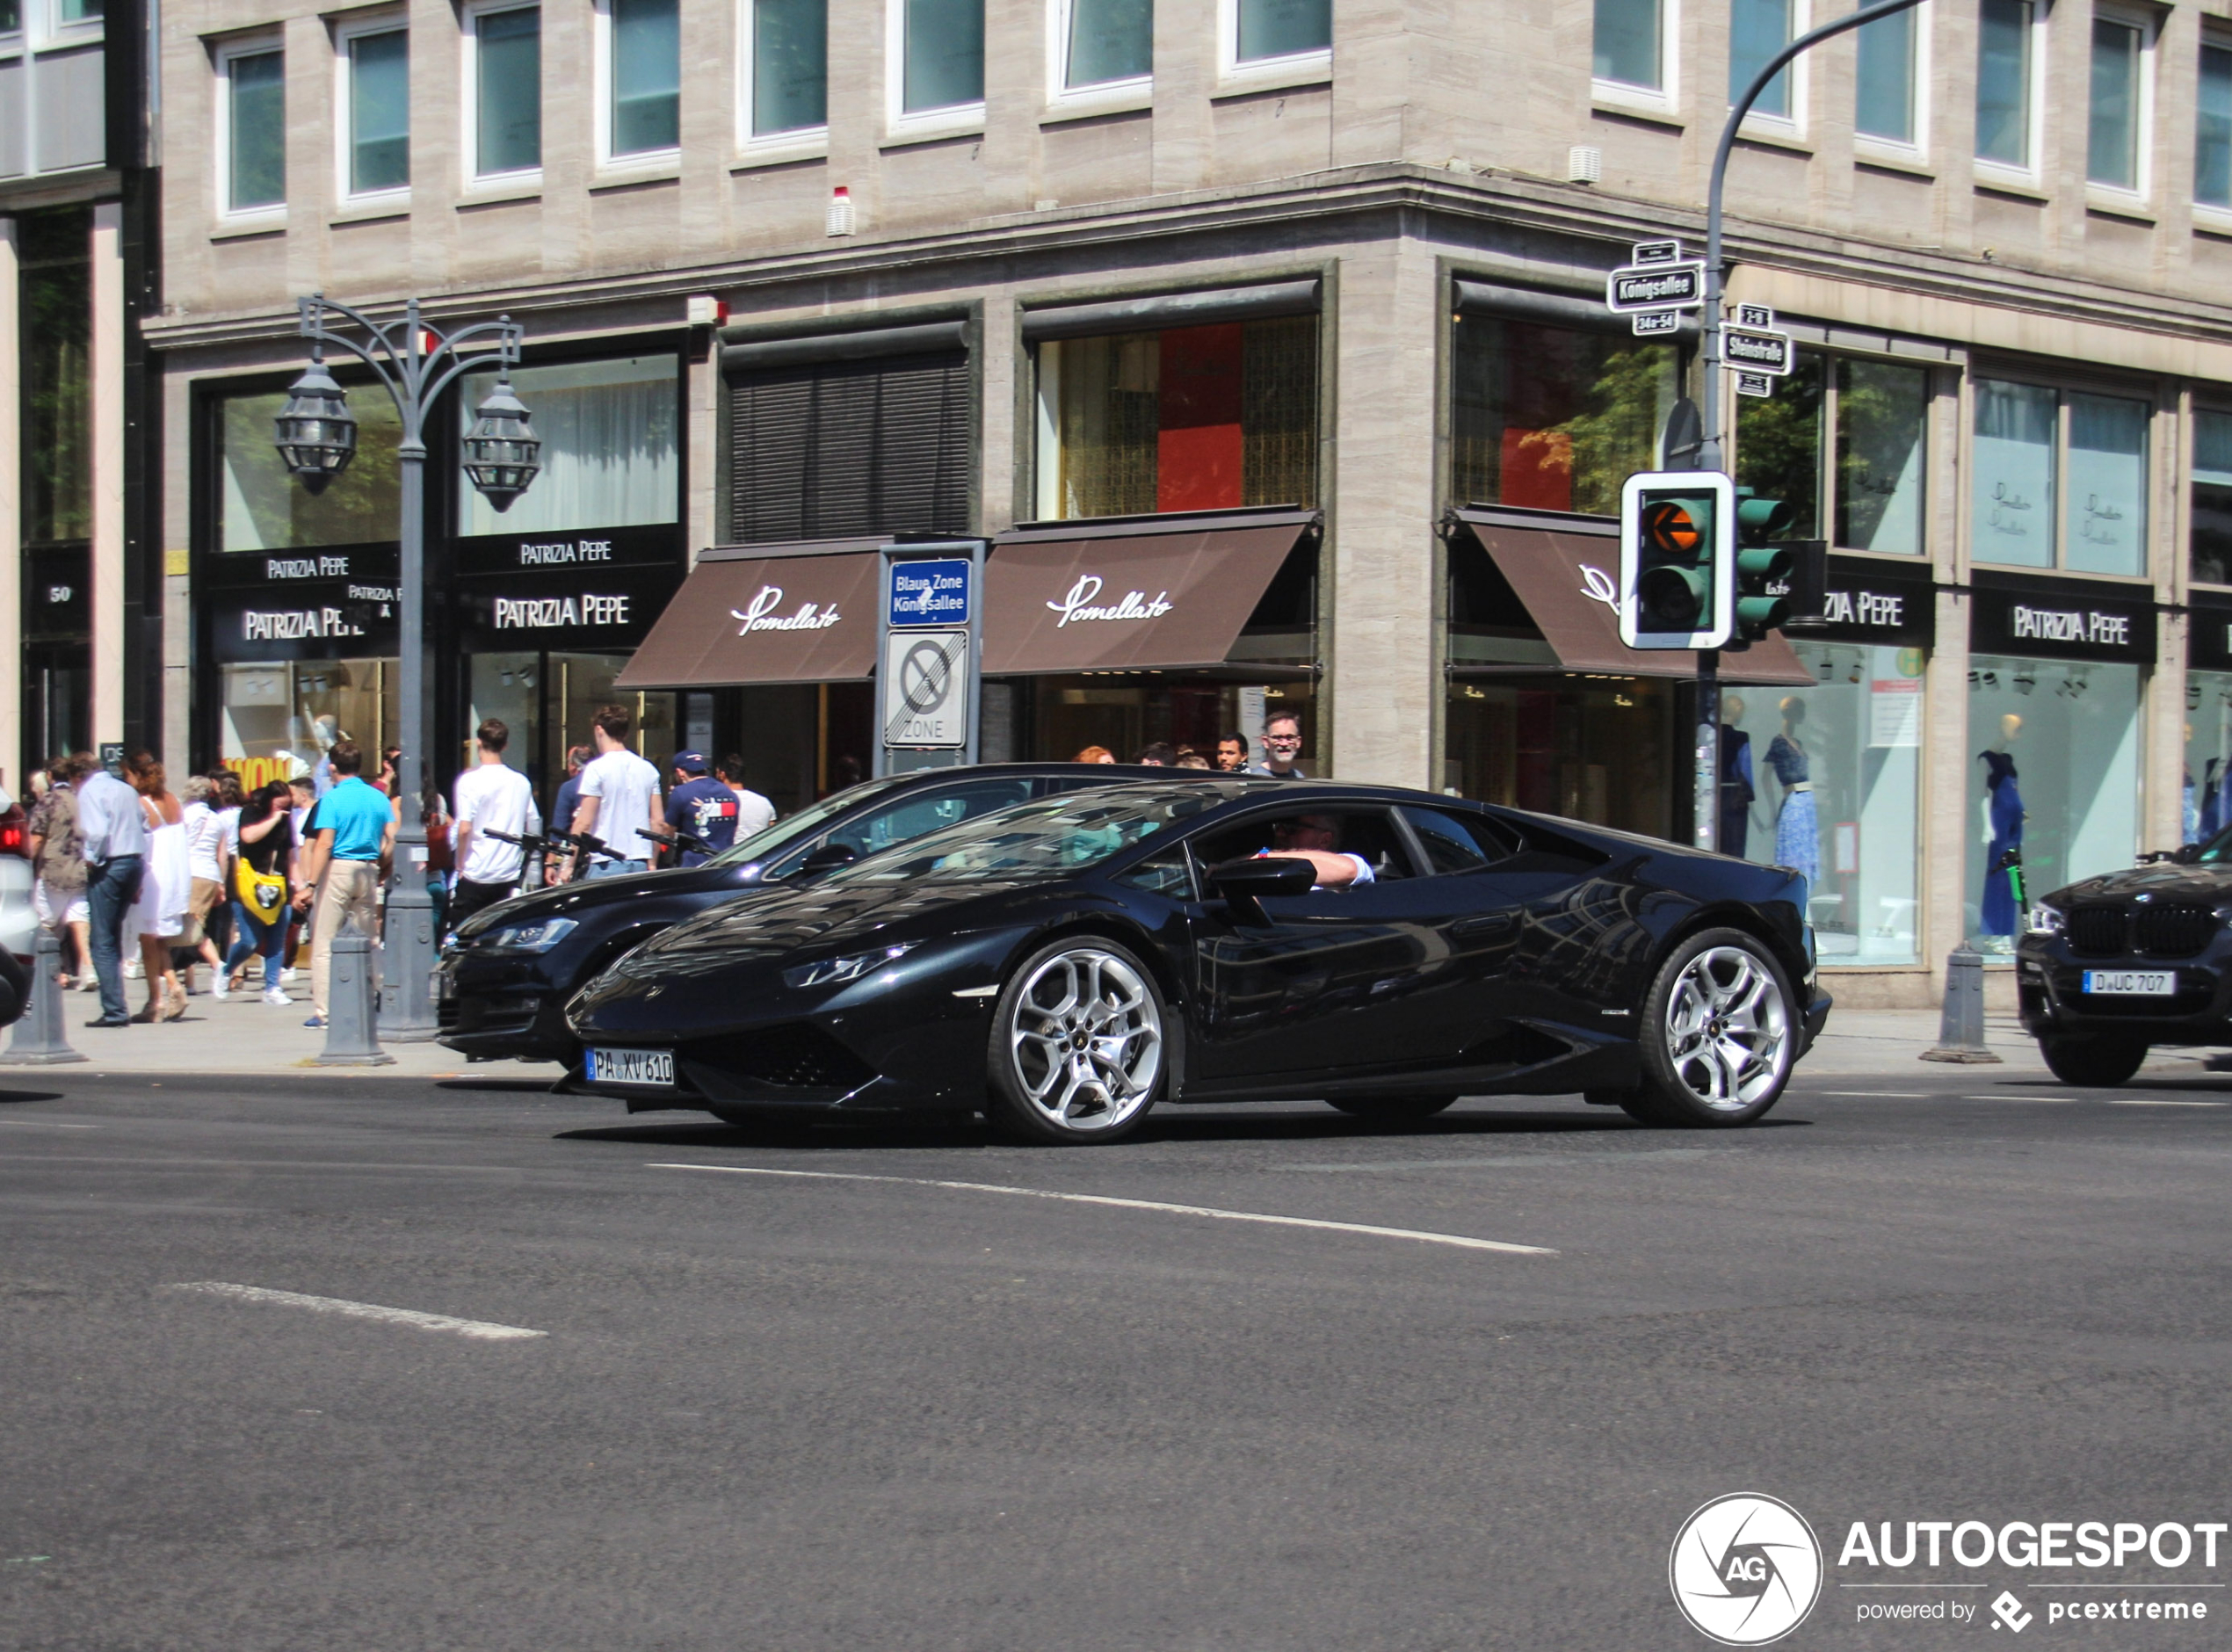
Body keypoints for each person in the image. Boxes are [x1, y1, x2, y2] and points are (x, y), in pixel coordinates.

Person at [295, 739, 396, 1030]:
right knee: (370, 941)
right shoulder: (378, 798)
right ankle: (387, 997)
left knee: (325, 943)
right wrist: (382, 863)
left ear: (332, 767)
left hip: (339, 869)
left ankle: (326, 1012)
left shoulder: (331, 800)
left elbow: (324, 843)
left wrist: (311, 884)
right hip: (368, 869)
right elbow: (394, 836)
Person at [77, 754, 147, 1028]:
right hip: (133, 861)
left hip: (111, 864)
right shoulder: (125, 789)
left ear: (77, 776)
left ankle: (114, 1010)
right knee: (114, 935)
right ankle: (117, 1003)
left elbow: (96, 832)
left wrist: (90, 859)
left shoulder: (90, 791)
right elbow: (143, 827)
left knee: (102, 940)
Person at [450, 718, 540, 930]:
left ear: (479, 742)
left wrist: (460, 864)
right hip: (507, 872)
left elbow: (464, 829)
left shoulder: (469, 781)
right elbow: (534, 822)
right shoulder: (520, 782)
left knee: (464, 933)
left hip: (476, 870)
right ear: (505, 745)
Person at [127, 755, 191, 1023]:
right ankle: (173, 987)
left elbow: (143, 844)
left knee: (147, 939)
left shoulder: (141, 804)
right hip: (175, 874)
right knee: (158, 937)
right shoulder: (173, 800)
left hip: (154, 875)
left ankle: (157, 1000)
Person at [567, 706, 663, 880]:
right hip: (640, 860)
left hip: (605, 862)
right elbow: (658, 822)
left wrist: (569, 864)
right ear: (625, 734)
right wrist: (652, 861)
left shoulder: (596, 769)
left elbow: (584, 822)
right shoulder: (648, 769)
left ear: (599, 730)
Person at [223, 781, 296, 1005]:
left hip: (278, 885)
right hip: (248, 885)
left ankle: (272, 987)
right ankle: (226, 970)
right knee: (250, 941)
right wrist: (273, 819)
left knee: (277, 939)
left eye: (286, 807)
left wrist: (301, 886)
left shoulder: (286, 821)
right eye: (279, 805)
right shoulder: (250, 812)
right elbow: (248, 836)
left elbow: (292, 853)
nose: (283, 811)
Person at [29, 755, 91, 989]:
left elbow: (36, 838)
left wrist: (28, 860)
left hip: (53, 868)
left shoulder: (48, 801)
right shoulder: (82, 799)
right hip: (79, 865)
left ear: (49, 776)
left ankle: (53, 969)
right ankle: (88, 968)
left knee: (46, 922)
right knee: (79, 919)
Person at [180, 775, 231, 996]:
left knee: (191, 926)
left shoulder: (183, 815)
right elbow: (223, 856)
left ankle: (216, 965)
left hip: (190, 872)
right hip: (210, 874)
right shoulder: (217, 819)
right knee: (193, 923)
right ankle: (189, 979)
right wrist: (221, 883)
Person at [661, 751, 740, 866]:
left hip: (694, 864)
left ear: (680, 772)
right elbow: (733, 828)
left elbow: (668, 831)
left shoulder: (681, 793)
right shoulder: (730, 794)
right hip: (724, 863)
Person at [1260, 813, 1373, 890]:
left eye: (1291, 827)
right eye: (1278, 826)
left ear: (1324, 840)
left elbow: (1349, 869)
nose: (1280, 833)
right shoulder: (1264, 851)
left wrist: (1262, 857)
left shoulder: (1350, 861)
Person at [721, 755, 777, 839]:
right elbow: (774, 833)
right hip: (759, 850)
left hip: (729, 851)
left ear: (722, 775)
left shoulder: (719, 802)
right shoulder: (764, 802)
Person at [1250, 712, 1308, 779]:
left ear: (1298, 742)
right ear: (1265, 742)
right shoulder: (1254, 780)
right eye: (1277, 737)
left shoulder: (1299, 778)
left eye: (1290, 737)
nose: (1284, 744)